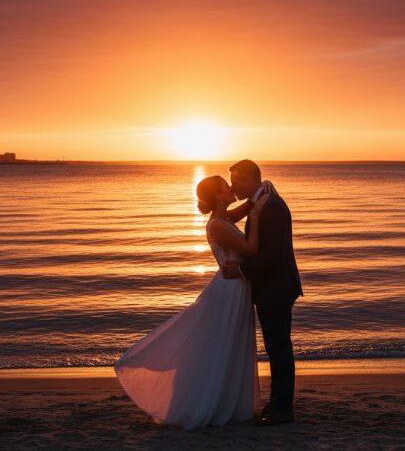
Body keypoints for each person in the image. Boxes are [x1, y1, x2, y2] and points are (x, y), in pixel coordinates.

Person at [114, 174, 270, 429]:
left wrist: (257, 199)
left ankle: (227, 400)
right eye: (225, 186)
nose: (231, 187)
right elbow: (251, 249)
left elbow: (244, 209)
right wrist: (259, 216)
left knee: (230, 346)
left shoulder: (223, 218)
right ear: (218, 196)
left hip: (236, 287)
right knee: (223, 346)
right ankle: (212, 402)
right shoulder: (218, 224)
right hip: (230, 290)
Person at [221, 159, 303, 426]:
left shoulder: (272, 207)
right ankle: (277, 402)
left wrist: (242, 271)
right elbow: (231, 218)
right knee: (275, 347)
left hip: (277, 287)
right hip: (271, 286)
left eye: (235, 181)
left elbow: (273, 255)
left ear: (248, 179)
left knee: (279, 348)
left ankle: (283, 409)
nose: (233, 187)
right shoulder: (261, 201)